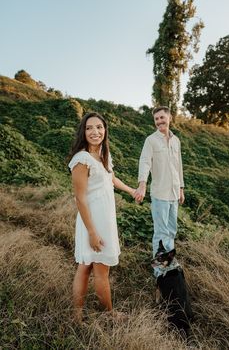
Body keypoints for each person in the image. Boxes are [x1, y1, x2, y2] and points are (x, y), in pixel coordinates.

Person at [68, 112, 135, 322]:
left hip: (104, 219)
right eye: (89, 128)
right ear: (83, 132)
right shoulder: (81, 159)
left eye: (99, 127)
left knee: (86, 266)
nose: (95, 132)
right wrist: (92, 232)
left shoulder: (103, 154)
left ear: (105, 130)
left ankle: (77, 315)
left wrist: (131, 190)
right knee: (98, 270)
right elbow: (80, 199)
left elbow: (111, 177)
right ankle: (108, 314)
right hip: (92, 222)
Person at [134, 106, 184, 281]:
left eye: (162, 117)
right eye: (156, 119)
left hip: (174, 193)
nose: (159, 121)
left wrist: (181, 188)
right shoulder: (151, 140)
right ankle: (160, 273)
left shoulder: (176, 140)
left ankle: (168, 264)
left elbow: (179, 166)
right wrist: (142, 185)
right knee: (161, 233)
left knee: (172, 230)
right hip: (160, 193)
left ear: (169, 118)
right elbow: (145, 162)